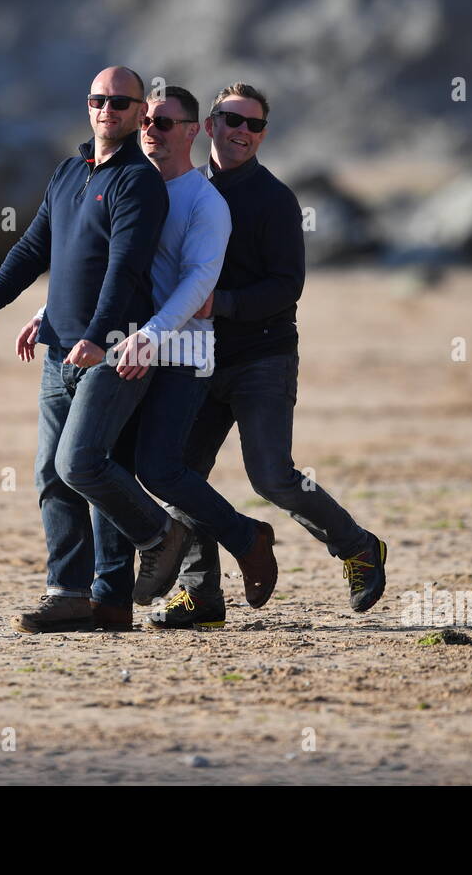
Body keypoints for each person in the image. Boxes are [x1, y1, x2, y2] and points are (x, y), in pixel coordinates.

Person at [16, 85, 279, 630]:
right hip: (129, 345)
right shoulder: (130, 183)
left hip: (177, 352)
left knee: (157, 469)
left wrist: (151, 337)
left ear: (191, 130)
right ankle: (109, 596)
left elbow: (198, 281)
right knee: (104, 466)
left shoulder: (204, 201)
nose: (150, 130)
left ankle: (241, 540)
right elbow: (103, 264)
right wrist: (50, 311)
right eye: (147, 122)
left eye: (163, 122)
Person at [0, 66, 188, 635]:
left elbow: (126, 266)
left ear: (137, 114)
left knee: (81, 462)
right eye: (98, 100)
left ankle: (160, 536)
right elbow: (34, 248)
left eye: (121, 102)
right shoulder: (68, 173)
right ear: (88, 107)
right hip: (60, 349)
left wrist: (96, 333)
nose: (108, 109)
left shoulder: (138, 182)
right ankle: (76, 596)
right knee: (53, 475)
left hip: (113, 348)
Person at [147, 82, 389, 630]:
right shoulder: (187, 190)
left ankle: (357, 547)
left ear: (262, 135)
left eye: (253, 125)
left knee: (271, 475)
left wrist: (221, 302)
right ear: (208, 126)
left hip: (263, 357)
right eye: (231, 120)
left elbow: (288, 286)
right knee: (180, 473)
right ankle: (200, 596)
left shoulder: (275, 200)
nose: (241, 132)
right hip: (197, 358)